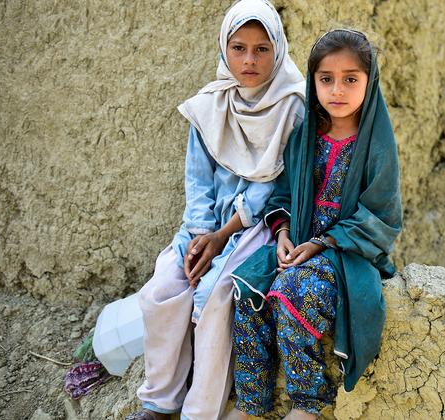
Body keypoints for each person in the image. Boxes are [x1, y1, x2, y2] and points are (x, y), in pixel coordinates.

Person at [126, 1, 305, 419]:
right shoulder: (210, 105)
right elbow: (197, 180)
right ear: (223, 48)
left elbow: (274, 188)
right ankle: (159, 401)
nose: (249, 60)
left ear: (278, 49)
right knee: (162, 290)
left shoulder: (292, 107)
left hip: (255, 228)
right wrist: (198, 237)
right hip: (206, 229)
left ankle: (200, 412)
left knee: (213, 297)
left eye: (262, 49)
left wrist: (222, 236)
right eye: (238, 47)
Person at [226, 29, 403, 419]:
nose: (337, 90)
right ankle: (252, 402)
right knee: (247, 290)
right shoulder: (306, 136)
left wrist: (321, 244)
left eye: (350, 79)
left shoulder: (376, 144)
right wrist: (286, 235)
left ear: (369, 82)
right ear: (314, 81)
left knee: (292, 291)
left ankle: (308, 402)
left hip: (346, 254)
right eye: (326, 79)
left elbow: (382, 217)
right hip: (298, 243)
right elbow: (283, 196)